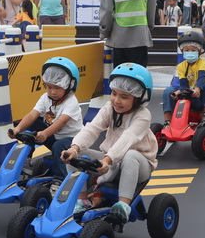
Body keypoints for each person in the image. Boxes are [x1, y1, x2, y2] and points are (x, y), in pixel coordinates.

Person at [60, 63, 157, 223]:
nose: (116, 100)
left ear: (140, 98)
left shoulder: (143, 115)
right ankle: (82, 200)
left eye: (124, 97)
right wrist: (75, 148)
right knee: (73, 154)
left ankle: (123, 206)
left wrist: (107, 160)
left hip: (140, 164)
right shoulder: (110, 108)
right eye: (114, 93)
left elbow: (127, 138)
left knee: (130, 155)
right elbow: (93, 128)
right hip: (112, 160)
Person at [9, 58, 84, 184]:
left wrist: (44, 133)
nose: (52, 92)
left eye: (57, 87)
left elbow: (61, 122)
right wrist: (17, 129)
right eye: (49, 87)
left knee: (58, 146)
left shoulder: (72, 102)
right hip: (54, 136)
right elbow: (32, 114)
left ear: (69, 85)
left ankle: (60, 179)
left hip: (72, 140)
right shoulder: (45, 98)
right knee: (31, 126)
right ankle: (27, 159)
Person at [162, 32, 205, 126]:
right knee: (168, 91)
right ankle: (167, 122)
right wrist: (178, 92)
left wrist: (198, 89)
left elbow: (202, 77)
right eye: (187, 50)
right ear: (182, 51)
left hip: (199, 96)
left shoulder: (202, 63)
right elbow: (183, 84)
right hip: (186, 94)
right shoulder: (181, 66)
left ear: (199, 51)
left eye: (193, 50)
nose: (190, 52)